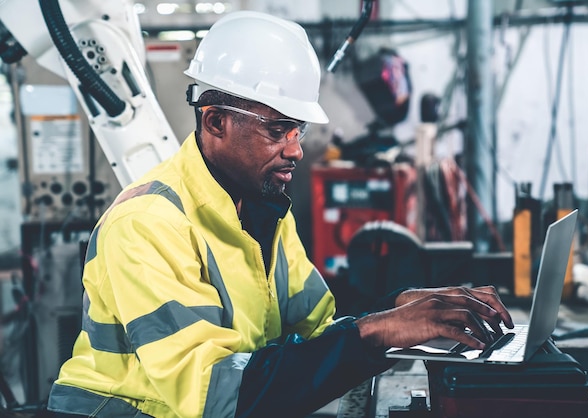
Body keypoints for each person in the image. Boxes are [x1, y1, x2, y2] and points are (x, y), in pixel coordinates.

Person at [46, 10, 513, 418]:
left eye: (298, 129)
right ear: (215, 122)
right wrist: (380, 331)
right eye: (277, 130)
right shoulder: (148, 223)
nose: (296, 149)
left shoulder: (263, 208)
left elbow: (319, 328)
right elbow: (214, 395)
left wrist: (406, 308)